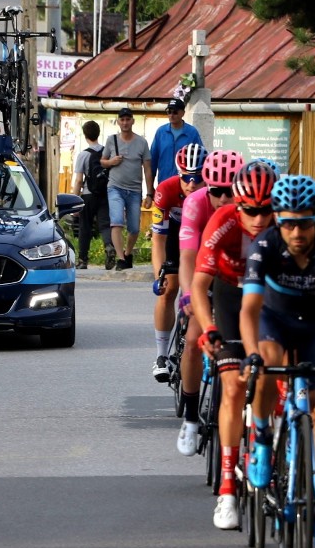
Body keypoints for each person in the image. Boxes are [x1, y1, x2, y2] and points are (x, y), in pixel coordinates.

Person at [239, 174, 315, 548]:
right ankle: (261, 437)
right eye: (288, 222)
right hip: (273, 322)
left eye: (304, 222)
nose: (296, 231)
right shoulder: (265, 245)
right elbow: (249, 310)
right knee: (266, 364)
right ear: (277, 219)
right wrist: (251, 354)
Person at [192, 161, 277, 529]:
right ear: (237, 206)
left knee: (271, 375)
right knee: (232, 386)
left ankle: (263, 441)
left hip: (269, 297)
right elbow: (198, 285)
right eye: (250, 211)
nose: (258, 219)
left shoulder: (286, 226)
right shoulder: (223, 221)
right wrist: (208, 328)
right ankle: (227, 487)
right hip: (228, 294)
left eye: (266, 210)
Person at [175, 150, 244, 456]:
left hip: (236, 275)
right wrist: (189, 294)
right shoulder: (194, 203)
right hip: (203, 272)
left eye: (229, 191)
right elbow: (188, 258)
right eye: (216, 191)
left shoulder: (250, 207)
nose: (223, 198)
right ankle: (190, 417)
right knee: (192, 339)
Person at [150, 143, 208, 380]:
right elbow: (158, 241)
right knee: (169, 288)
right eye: (186, 177)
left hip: (203, 234)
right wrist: (158, 276)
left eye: (197, 178)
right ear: (178, 173)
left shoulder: (212, 193)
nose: (191, 184)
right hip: (175, 233)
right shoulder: (166, 190)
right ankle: (161, 355)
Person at [101, 107, 153, 270]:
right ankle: (120, 258)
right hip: (115, 187)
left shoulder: (141, 142)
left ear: (132, 121)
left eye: (127, 119)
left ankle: (128, 253)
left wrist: (150, 193)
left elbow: (147, 168)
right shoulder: (112, 140)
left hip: (135, 190)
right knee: (116, 222)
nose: (125, 122)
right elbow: (102, 161)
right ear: (118, 122)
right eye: (122, 119)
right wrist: (111, 162)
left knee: (134, 228)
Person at [71, 120, 115, 270]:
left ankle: (83, 260)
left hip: (88, 195)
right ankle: (109, 246)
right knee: (105, 225)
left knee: (85, 227)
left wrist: (74, 202)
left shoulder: (83, 155)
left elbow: (78, 180)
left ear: (85, 135)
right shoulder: (106, 153)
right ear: (98, 133)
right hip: (104, 194)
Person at [150, 98, 203, 185]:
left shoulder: (192, 132)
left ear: (183, 113)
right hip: (164, 183)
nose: (171, 115)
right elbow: (153, 161)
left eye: (175, 112)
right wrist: (150, 187)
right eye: (169, 112)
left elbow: (200, 159)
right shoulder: (161, 132)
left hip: (185, 184)